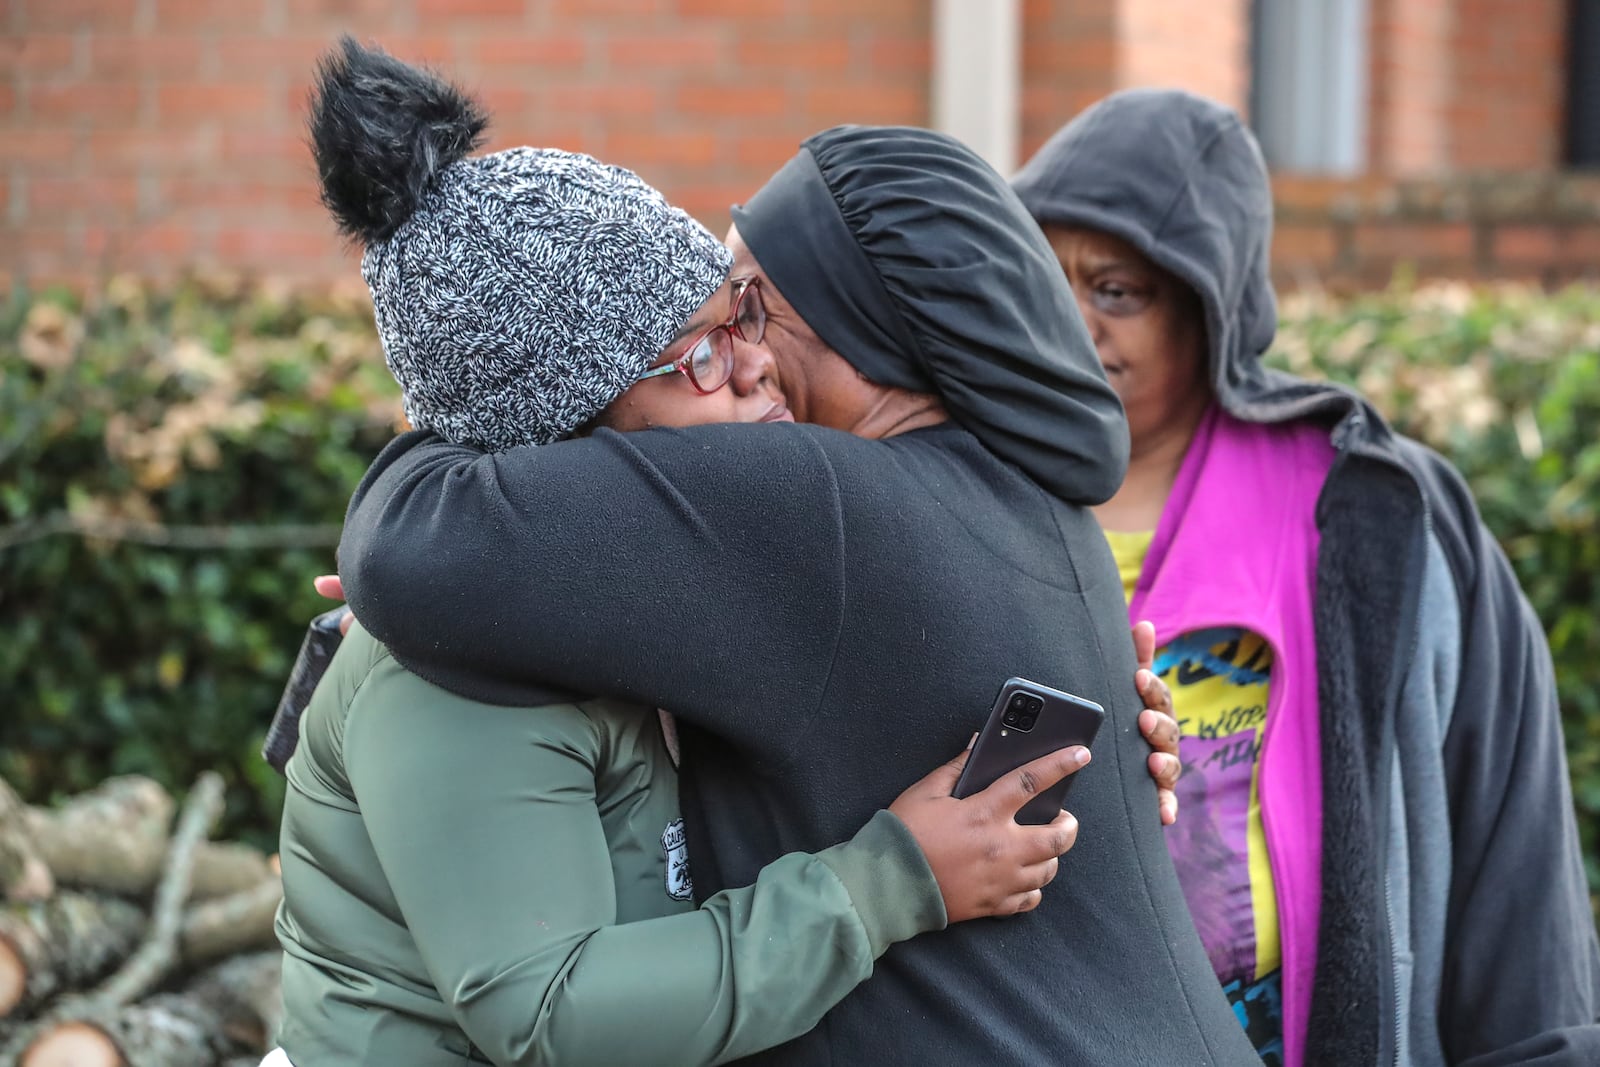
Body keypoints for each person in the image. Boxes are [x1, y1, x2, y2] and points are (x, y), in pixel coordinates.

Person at [270, 40, 1156, 1067]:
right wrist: (888, 880)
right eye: (700, 352)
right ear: (566, 442)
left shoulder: (621, 601)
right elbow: (554, 1012)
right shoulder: (459, 674)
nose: (755, 365)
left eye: (739, 317)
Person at [1011, 87, 1600, 1067]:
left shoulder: (1369, 509)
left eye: (1117, 290)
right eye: (1044, 274)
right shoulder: (960, 483)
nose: (1069, 322)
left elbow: (1510, 832)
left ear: (1209, 307)